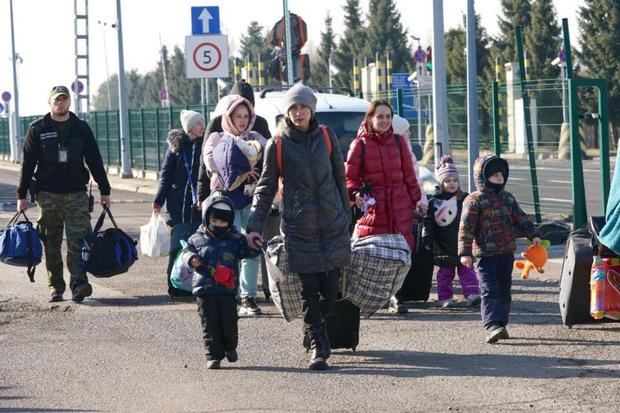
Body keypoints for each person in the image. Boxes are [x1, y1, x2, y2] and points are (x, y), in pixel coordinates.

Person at [246, 84, 351, 371]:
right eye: (293, 108)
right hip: (299, 229)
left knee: (331, 292)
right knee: (309, 290)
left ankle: (314, 331)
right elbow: (265, 188)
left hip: (332, 226)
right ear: (287, 112)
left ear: (311, 109)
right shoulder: (277, 144)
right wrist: (254, 224)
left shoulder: (327, 137)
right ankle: (318, 345)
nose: (298, 112)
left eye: (303, 107)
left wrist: (346, 217)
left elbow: (340, 179)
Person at [17, 85, 111, 303]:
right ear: (50, 103)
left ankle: (78, 283)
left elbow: (95, 160)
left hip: (77, 194)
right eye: (57, 100)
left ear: (70, 102)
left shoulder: (81, 129)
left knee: (78, 240)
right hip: (48, 195)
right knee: (51, 242)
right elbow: (28, 164)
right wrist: (22, 195)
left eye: (64, 99)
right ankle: (56, 287)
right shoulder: (37, 129)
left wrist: (104, 190)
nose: (61, 103)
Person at [197, 80, 272, 316]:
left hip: (251, 197)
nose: (241, 119)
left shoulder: (259, 136)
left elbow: (271, 158)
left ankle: (248, 297)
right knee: (227, 248)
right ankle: (228, 292)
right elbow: (209, 165)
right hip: (224, 200)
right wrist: (205, 192)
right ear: (228, 112)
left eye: (245, 114)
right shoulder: (217, 137)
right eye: (237, 114)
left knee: (250, 245)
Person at [345, 100, 422, 314]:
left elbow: (409, 175)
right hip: (373, 207)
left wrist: (417, 200)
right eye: (380, 116)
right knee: (371, 255)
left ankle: (396, 296)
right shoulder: (359, 145)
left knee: (399, 254)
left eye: (388, 116)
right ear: (370, 118)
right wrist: (355, 194)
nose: (385, 121)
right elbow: (350, 178)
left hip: (399, 205)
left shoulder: (398, 143)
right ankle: (364, 298)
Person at [458, 155, 541, 344]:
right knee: (489, 289)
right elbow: (466, 227)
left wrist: (533, 234)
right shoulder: (474, 200)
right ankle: (492, 324)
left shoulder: (507, 198)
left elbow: (520, 218)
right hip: (485, 255)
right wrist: (465, 252)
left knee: (504, 289)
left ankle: (501, 322)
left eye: (501, 174)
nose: (499, 178)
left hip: (505, 253)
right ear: (483, 176)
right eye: (495, 175)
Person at [183, 194, 261, 369]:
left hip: (228, 289)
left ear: (230, 221)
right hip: (204, 290)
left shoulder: (236, 239)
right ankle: (213, 355)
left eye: (223, 223)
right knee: (209, 324)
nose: (218, 226)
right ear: (207, 218)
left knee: (229, 322)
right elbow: (185, 252)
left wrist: (255, 245)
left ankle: (230, 347)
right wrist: (191, 259)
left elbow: (249, 252)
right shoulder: (196, 238)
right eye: (215, 221)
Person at [153, 110, 205, 297]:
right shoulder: (175, 148)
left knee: (199, 248)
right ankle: (174, 285)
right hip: (178, 208)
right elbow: (165, 176)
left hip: (199, 207)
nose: (202, 127)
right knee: (177, 247)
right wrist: (159, 200)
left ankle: (197, 284)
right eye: (198, 124)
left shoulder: (205, 146)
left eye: (202, 123)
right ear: (189, 127)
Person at [422, 155, 480, 308]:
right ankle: (445, 297)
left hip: (463, 242)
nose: (452, 183)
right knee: (445, 274)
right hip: (443, 244)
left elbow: (474, 219)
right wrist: (427, 239)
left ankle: (472, 294)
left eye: (454, 180)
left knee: (467, 270)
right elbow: (429, 223)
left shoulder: (466, 199)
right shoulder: (434, 202)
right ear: (441, 183)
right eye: (447, 180)